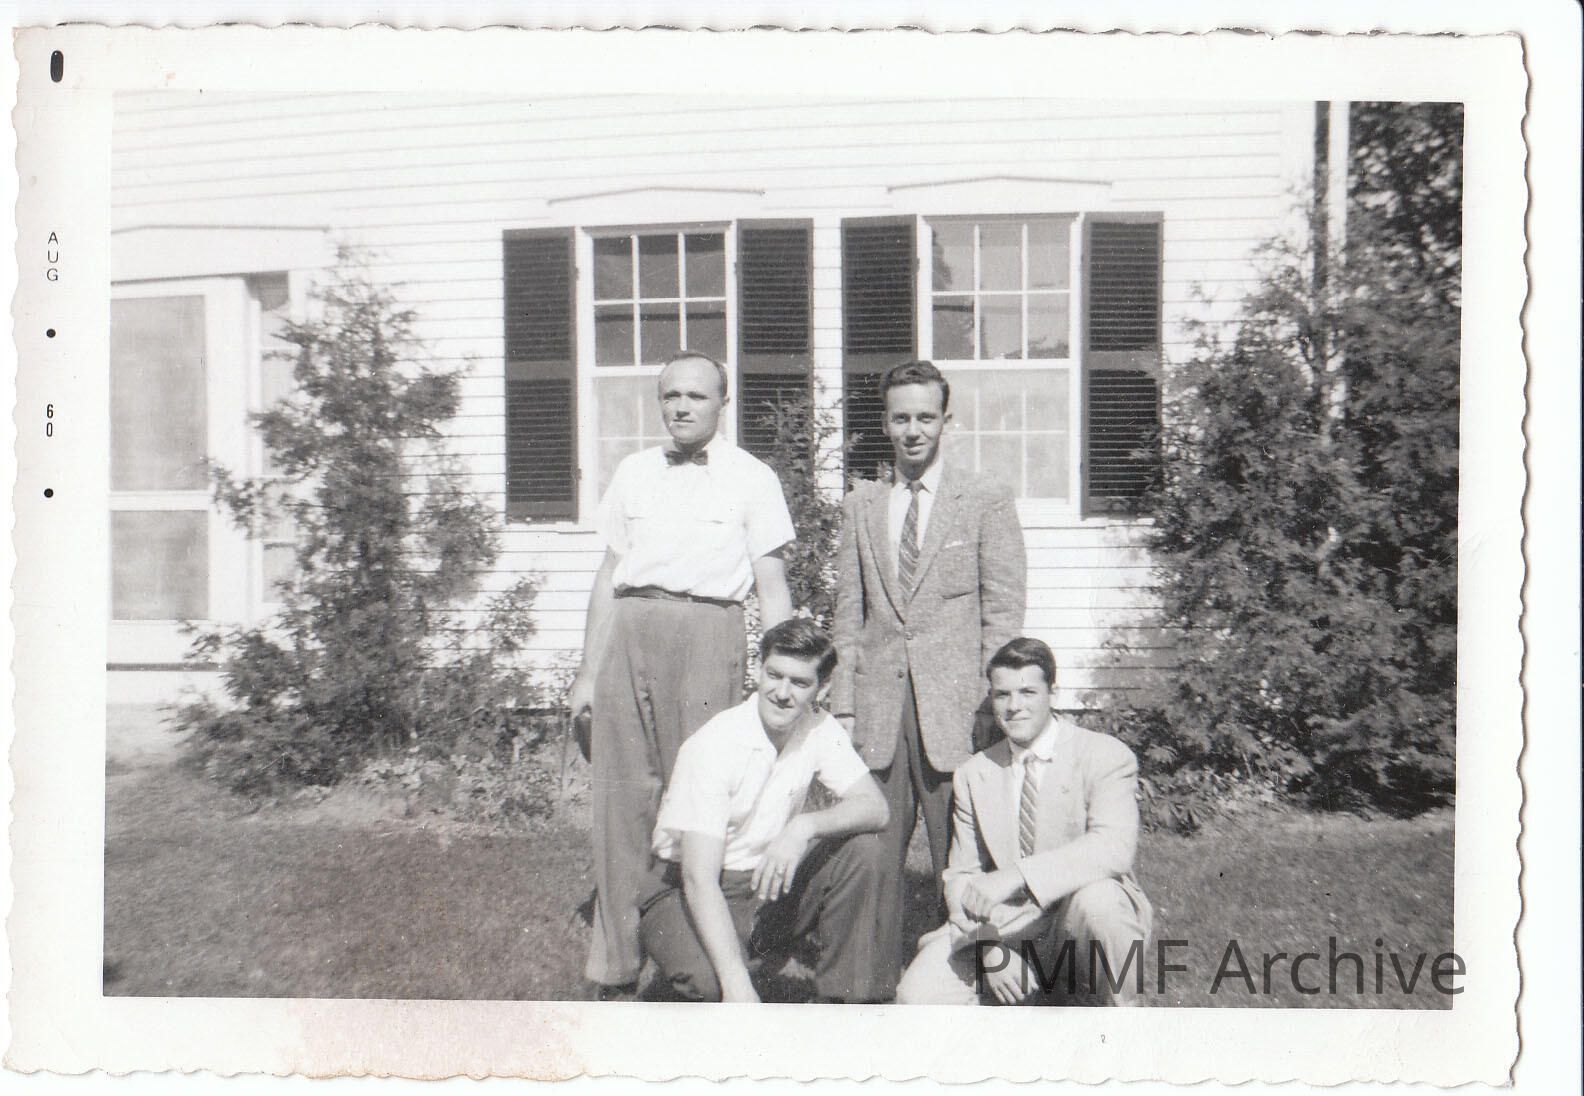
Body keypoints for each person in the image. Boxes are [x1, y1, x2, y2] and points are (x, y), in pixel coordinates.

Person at [568, 350, 796, 996]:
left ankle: (702, 944)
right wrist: (587, 672)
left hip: (707, 632)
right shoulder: (634, 471)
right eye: (671, 396)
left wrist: (779, 674)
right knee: (621, 799)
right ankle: (616, 962)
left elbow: (773, 588)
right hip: (630, 628)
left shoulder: (752, 478)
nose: (682, 407)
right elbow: (609, 577)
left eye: (696, 395)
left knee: (700, 798)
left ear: (722, 403)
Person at [829, 359, 1027, 996]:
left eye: (925, 417)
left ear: (946, 420)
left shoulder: (984, 498)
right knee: (873, 849)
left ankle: (971, 979)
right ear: (885, 424)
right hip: (880, 708)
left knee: (963, 851)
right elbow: (848, 616)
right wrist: (844, 707)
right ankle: (867, 989)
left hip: (959, 709)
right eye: (900, 418)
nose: (912, 430)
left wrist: (997, 701)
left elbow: (1003, 612)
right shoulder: (861, 507)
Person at [640, 619, 891, 1003]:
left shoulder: (819, 726)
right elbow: (698, 878)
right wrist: (736, 985)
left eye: (799, 683)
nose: (782, 693)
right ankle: (733, 966)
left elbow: (876, 808)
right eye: (774, 676)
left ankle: (845, 1005)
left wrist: (803, 826)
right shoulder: (715, 744)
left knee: (864, 851)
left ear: (822, 689)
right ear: (759, 669)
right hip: (686, 887)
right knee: (712, 984)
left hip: (764, 880)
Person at [895, 637, 1152, 1006]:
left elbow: (1113, 848)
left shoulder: (1104, 755)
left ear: (1053, 693)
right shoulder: (974, 773)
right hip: (1008, 925)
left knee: (1102, 901)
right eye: (1002, 695)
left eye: (1028, 692)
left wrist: (1016, 875)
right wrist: (988, 947)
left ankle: (1125, 1019)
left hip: (1077, 917)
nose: (1014, 706)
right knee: (916, 997)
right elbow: (961, 876)